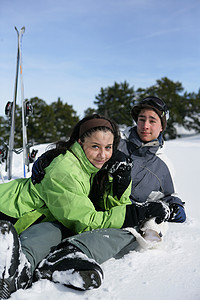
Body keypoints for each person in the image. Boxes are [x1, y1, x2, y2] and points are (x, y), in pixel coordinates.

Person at [0, 114, 169, 298]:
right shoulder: (65, 171)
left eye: (108, 147)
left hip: (36, 221)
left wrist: (120, 186)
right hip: (8, 214)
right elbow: (87, 221)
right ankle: (16, 270)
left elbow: (102, 208)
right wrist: (136, 212)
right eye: (95, 146)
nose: (103, 155)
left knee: (63, 229)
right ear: (80, 142)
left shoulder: (90, 167)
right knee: (68, 228)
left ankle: (44, 263)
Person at [118, 96, 186, 223]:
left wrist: (176, 206)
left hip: (125, 222)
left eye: (152, 121)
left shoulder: (163, 166)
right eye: (141, 119)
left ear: (161, 127)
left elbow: (169, 195)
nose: (145, 126)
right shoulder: (116, 143)